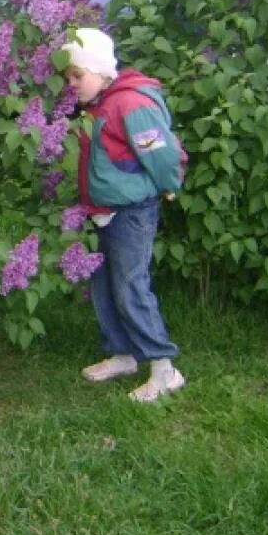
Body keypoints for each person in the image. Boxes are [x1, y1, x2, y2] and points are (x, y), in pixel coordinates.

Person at [58, 28, 186, 402]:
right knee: (104, 284)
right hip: (102, 212)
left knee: (131, 285)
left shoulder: (129, 104)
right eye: (68, 78)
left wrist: (169, 183)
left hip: (132, 211)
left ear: (100, 70)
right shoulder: (98, 106)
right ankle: (123, 354)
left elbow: (159, 152)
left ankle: (164, 368)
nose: (72, 85)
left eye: (77, 76)